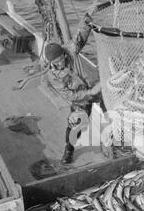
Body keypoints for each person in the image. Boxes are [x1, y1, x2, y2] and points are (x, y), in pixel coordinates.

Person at [41, 13, 100, 164]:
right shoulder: (53, 76)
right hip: (79, 97)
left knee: (112, 110)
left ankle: (117, 141)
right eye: (57, 62)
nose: (61, 63)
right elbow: (69, 96)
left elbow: (79, 37)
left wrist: (86, 23)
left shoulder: (70, 51)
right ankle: (69, 149)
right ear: (51, 62)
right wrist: (90, 93)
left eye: (62, 59)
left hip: (93, 84)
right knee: (77, 124)